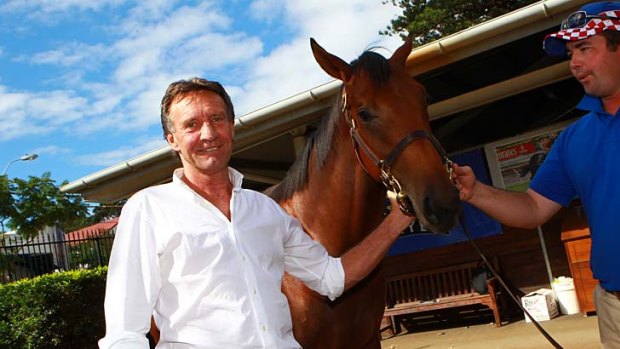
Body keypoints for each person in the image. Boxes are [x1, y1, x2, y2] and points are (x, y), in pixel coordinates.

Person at [98, 77, 414, 349]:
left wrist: (398, 219)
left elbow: (332, 278)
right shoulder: (148, 209)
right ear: (173, 141)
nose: (208, 134)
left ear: (232, 128)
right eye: (191, 125)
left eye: (217, 119)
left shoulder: (266, 210)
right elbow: (125, 331)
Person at [453, 2, 620, 347]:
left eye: (585, 48)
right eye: (571, 52)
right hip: (614, 307)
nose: (574, 63)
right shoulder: (573, 139)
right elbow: (533, 208)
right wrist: (475, 191)